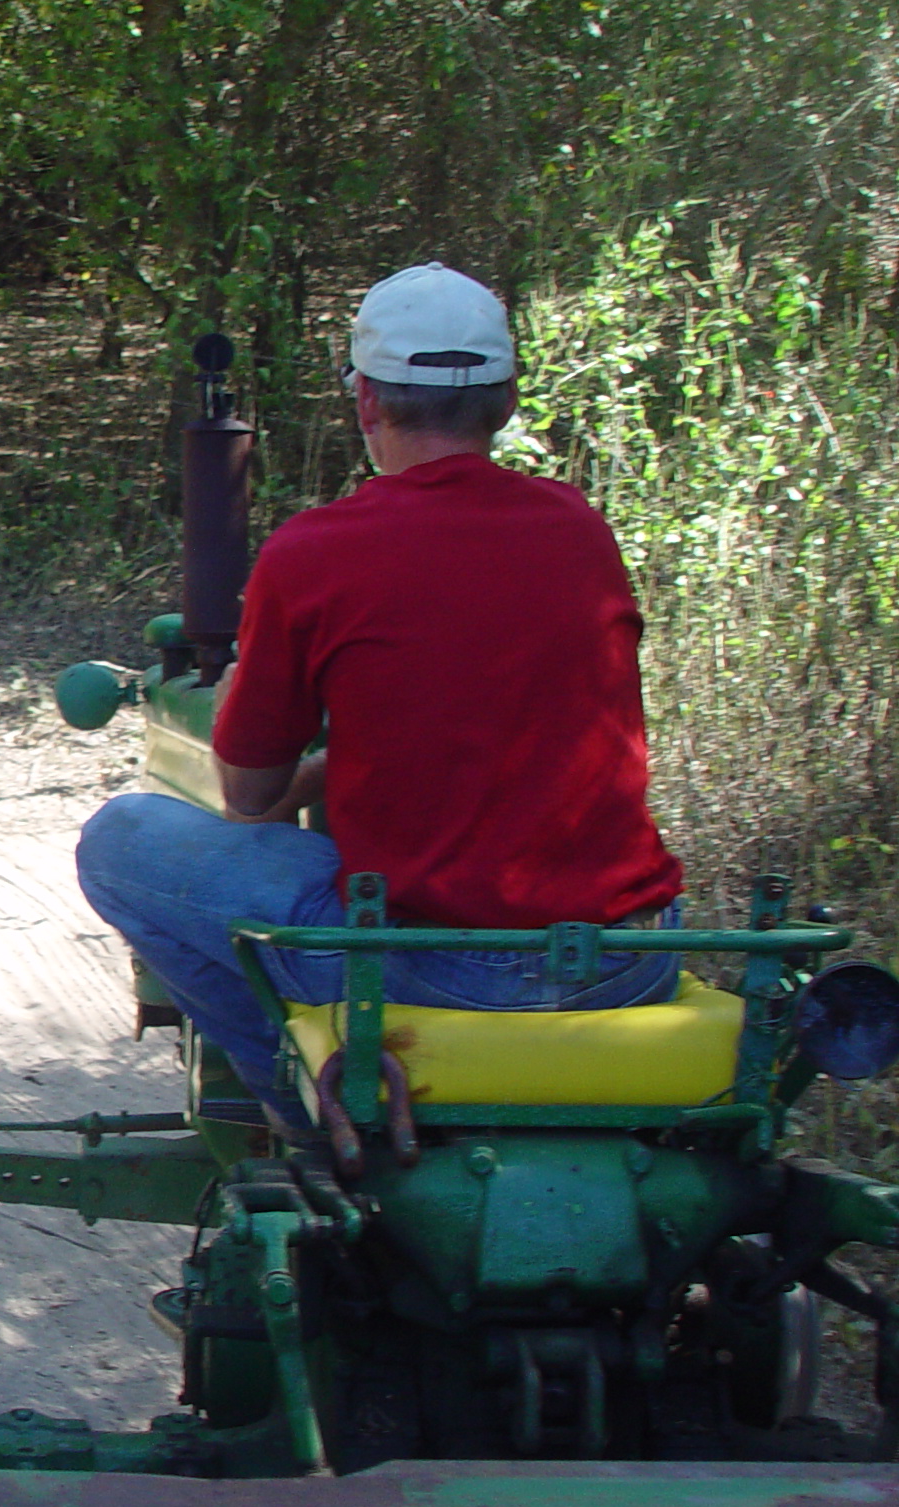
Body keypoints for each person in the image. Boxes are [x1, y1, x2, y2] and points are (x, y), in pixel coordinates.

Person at [74, 262, 684, 1123]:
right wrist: (347, 761)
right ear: (506, 401)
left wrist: (306, 761)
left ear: (366, 403)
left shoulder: (319, 552)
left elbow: (249, 795)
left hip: (439, 970)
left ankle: (288, 1105)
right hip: (631, 960)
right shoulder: (583, 531)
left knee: (120, 839)